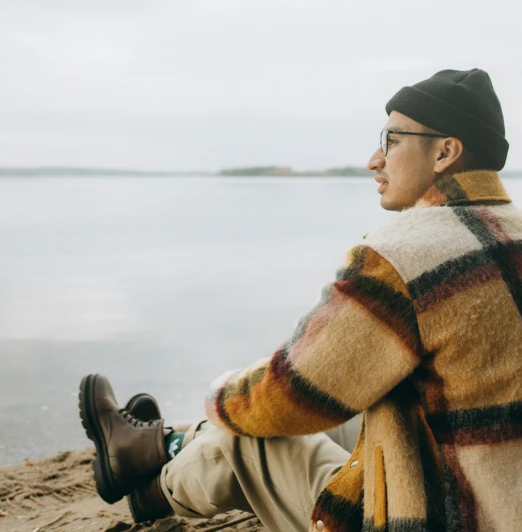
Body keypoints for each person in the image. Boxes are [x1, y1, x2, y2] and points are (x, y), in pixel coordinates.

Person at [79, 68, 522, 532]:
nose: (374, 159)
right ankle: (150, 449)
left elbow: (292, 391)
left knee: (258, 430)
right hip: (501, 496)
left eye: (390, 140)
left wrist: (218, 397)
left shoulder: (405, 256)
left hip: (453, 517)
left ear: (445, 152)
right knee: (345, 413)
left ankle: (156, 474)